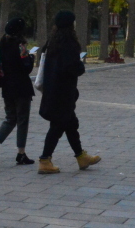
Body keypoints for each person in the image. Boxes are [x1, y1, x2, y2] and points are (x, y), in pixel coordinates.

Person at [36, 10, 100, 174]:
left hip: (52, 90)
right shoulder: (70, 43)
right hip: (64, 92)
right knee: (58, 126)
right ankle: (44, 160)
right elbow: (72, 68)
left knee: (71, 125)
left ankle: (81, 156)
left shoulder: (52, 42)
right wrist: (80, 66)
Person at [0, 18, 36, 166]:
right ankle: (21, 153)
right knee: (22, 120)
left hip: (7, 86)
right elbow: (26, 67)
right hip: (22, 87)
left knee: (10, 118)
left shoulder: (0, 45)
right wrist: (31, 57)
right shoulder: (21, 46)